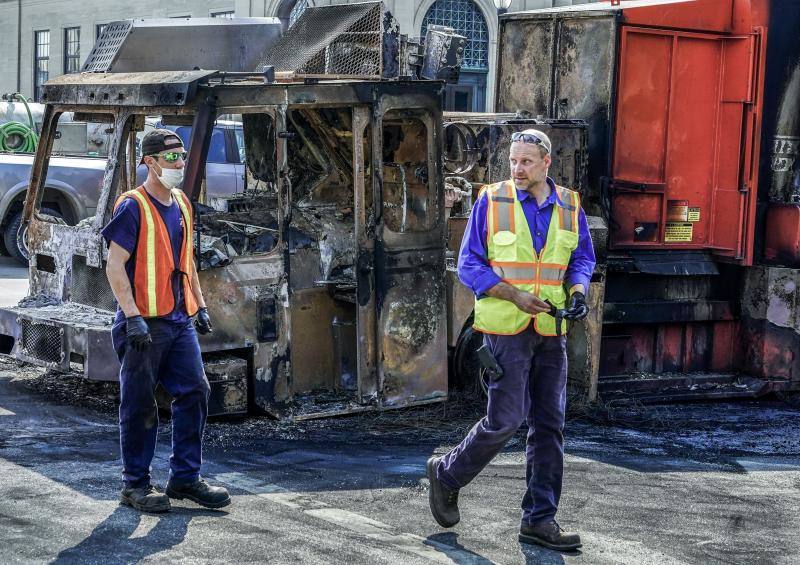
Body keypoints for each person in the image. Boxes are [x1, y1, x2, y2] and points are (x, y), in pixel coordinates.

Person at [427, 129, 595, 550]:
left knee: (550, 426)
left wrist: (577, 293)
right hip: (505, 330)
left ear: (546, 163)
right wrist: (514, 295)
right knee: (505, 420)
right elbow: (468, 264)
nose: (517, 169)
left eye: (525, 162)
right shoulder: (492, 200)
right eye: (513, 162)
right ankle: (447, 474)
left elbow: (582, 258)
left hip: (550, 331)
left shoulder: (570, 204)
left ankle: (540, 520)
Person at [102, 129, 230, 513]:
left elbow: (185, 262)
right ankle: (135, 484)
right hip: (144, 325)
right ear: (150, 162)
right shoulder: (133, 206)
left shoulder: (182, 203)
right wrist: (133, 316)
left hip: (178, 320)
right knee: (140, 404)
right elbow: (114, 266)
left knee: (195, 391)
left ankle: (185, 478)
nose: (178, 164)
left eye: (181, 156)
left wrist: (201, 305)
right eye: (170, 158)